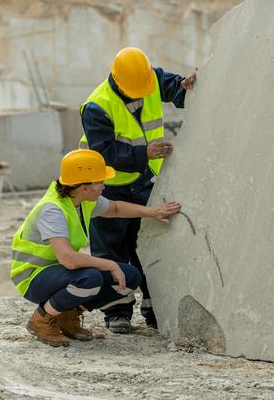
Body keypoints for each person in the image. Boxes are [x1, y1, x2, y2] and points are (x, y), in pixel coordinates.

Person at [10, 149, 180, 347]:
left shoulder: (80, 200)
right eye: (99, 182)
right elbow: (69, 259)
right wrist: (109, 264)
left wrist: (153, 212)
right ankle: (41, 320)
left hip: (57, 271)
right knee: (90, 279)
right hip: (33, 277)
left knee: (130, 276)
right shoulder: (53, 210)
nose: (103, 185)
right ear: (83, 186)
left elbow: (115, 208)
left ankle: (68, 314)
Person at [80, 47, 196, 333]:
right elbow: (104, 152)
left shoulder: (150, 80)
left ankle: (155, 308)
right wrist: (146, 152)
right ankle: (117, 312)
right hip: (107, 187)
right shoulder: (97, 106)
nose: (141, 95)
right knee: (111, 251)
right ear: (117, 81)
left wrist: (189, 85)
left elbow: (178, 91)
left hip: (144, 182)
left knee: (149, 245)